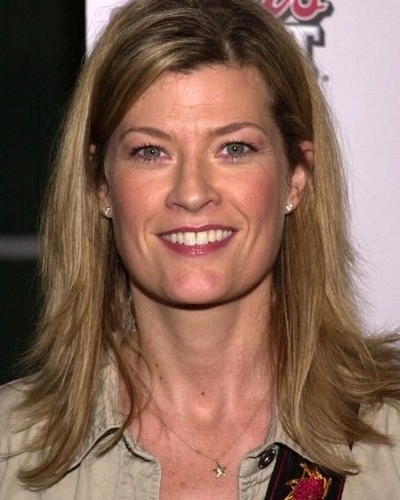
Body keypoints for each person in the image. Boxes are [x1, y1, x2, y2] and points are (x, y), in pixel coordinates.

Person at [1, 0, 399, 498]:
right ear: (101, 186)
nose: (191, 193)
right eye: (151, 152)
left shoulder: (390, 442)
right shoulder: (11, 453)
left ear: (296, 178)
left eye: (234, 148)